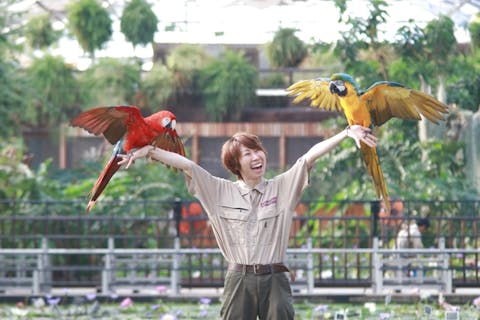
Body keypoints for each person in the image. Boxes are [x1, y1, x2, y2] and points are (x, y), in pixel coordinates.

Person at [118, 125, 376, 320]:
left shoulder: (282, 187)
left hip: (275, 279)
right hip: (239, 279)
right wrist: (150, 150)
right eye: (247, 154)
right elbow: (188, 166)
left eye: (257, 150)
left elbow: (308, 158)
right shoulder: (218, 191)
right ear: (235, 163)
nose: (256, 157)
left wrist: (346, 133)